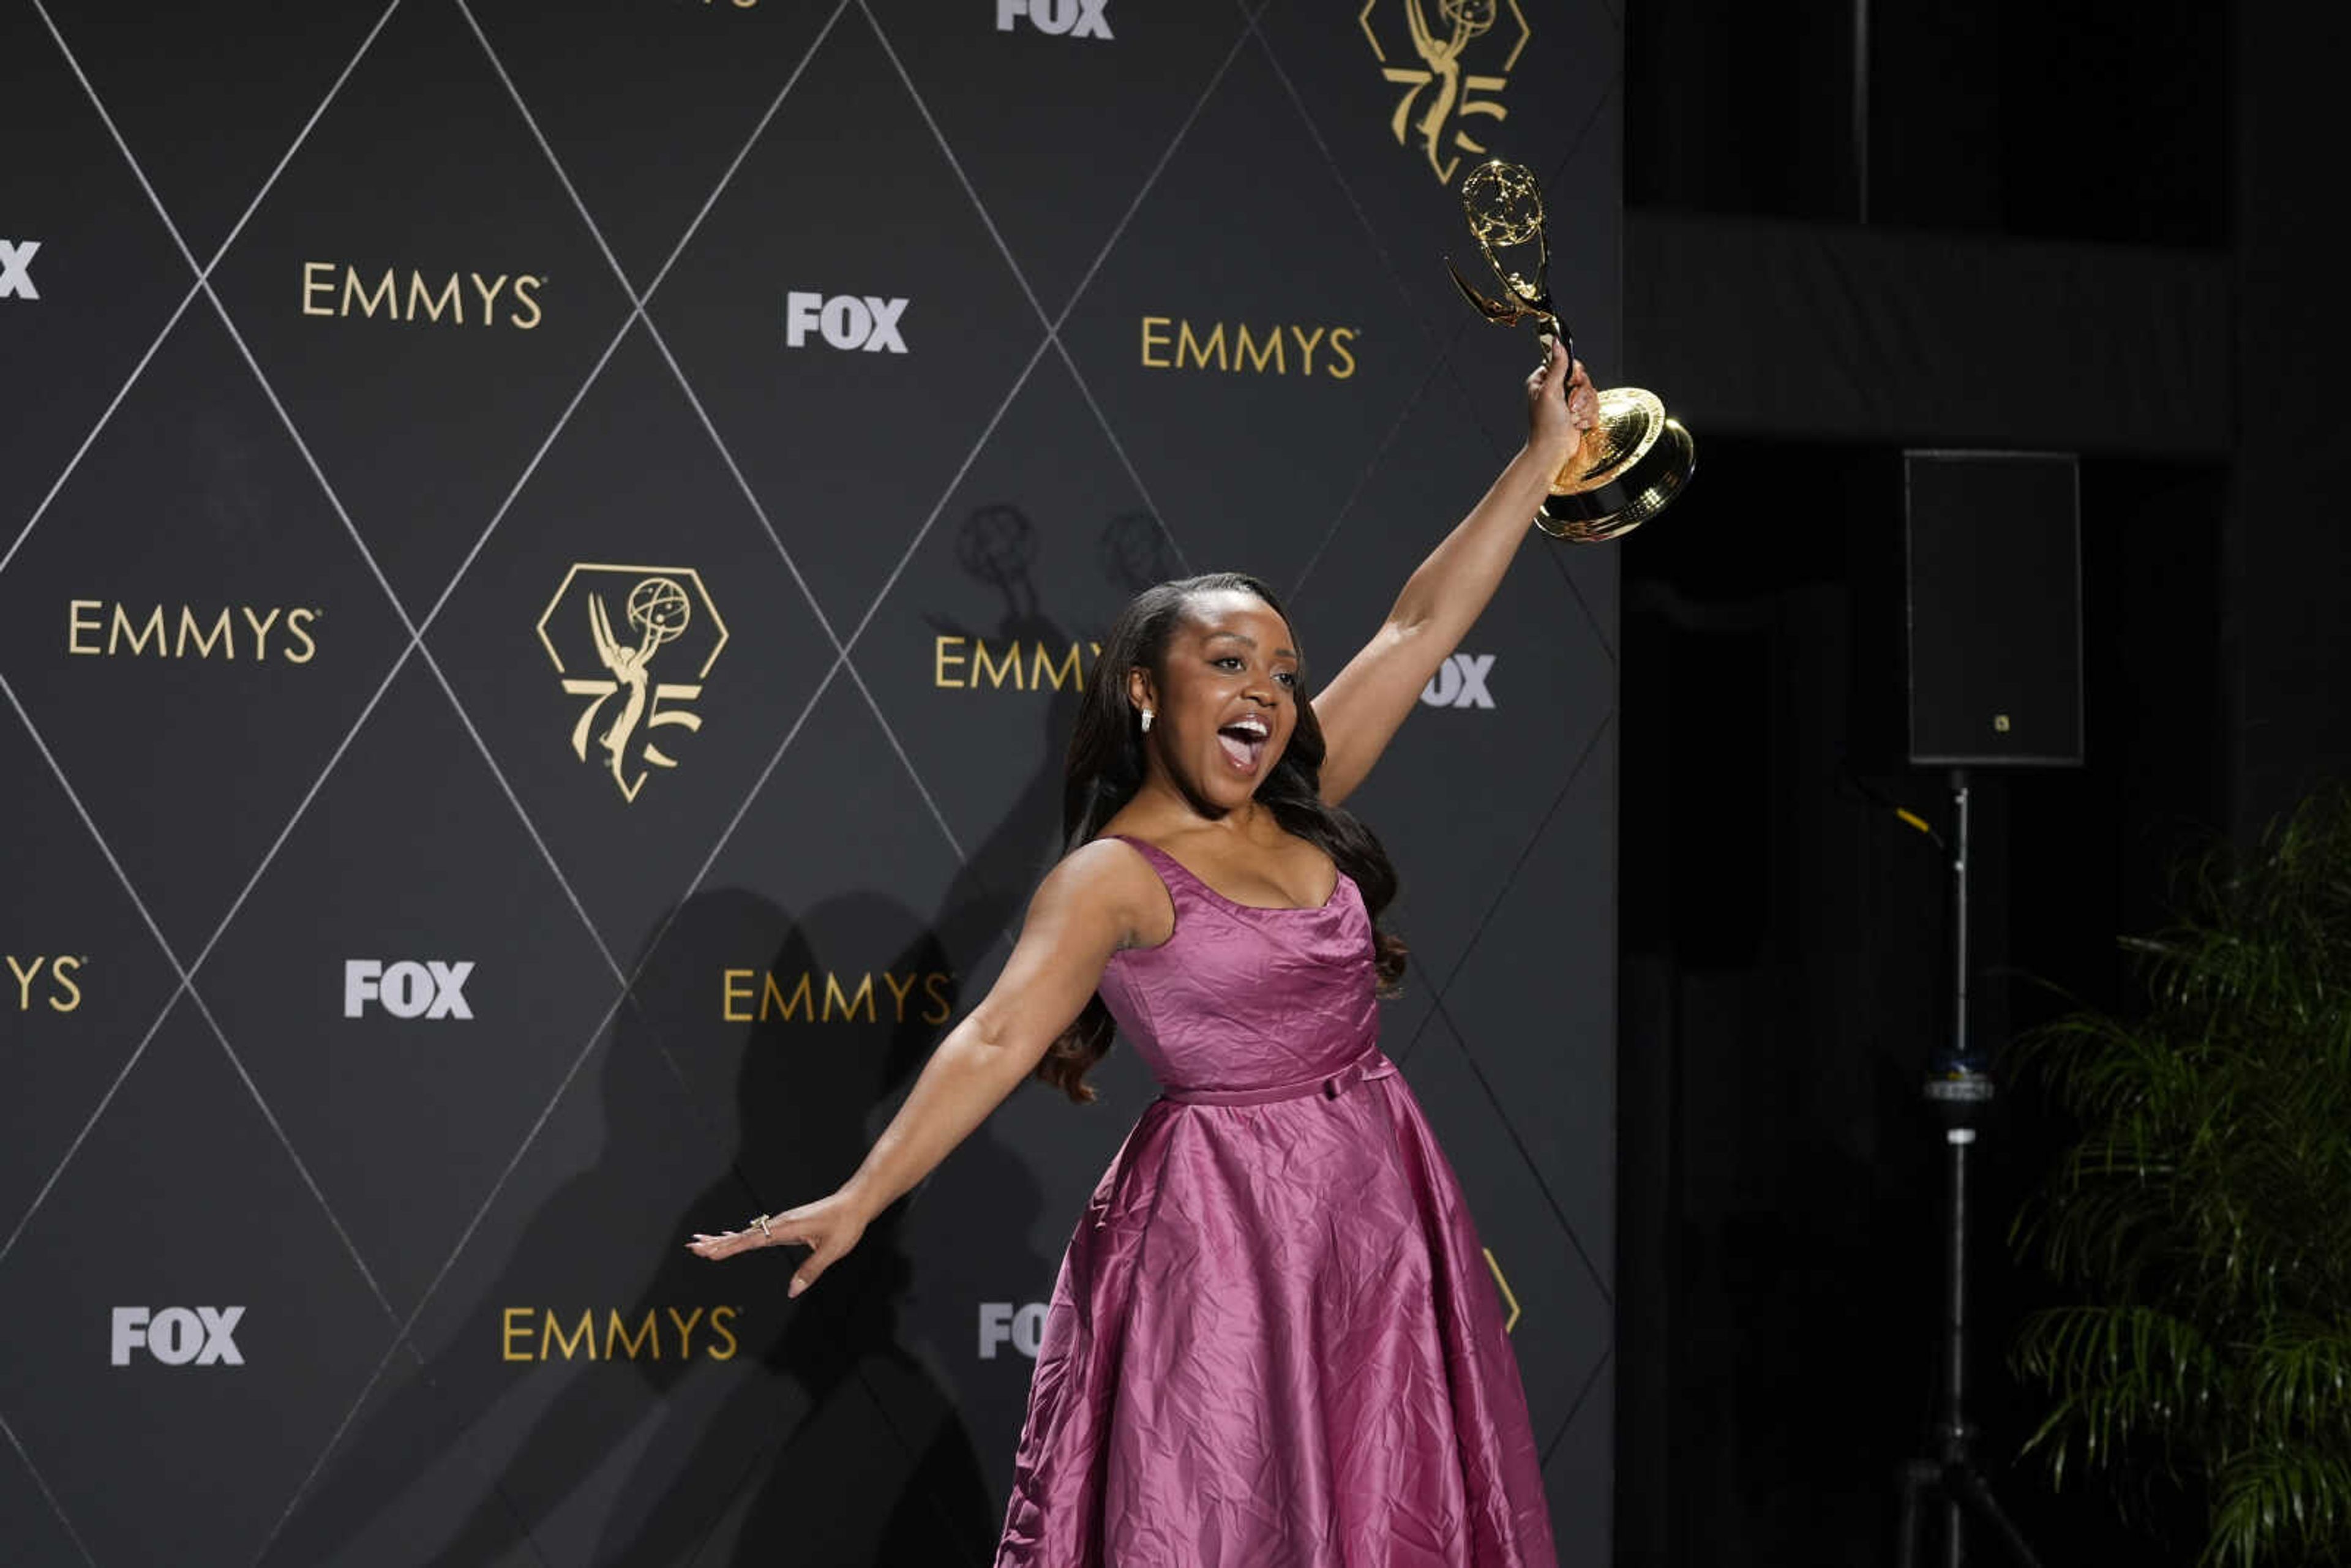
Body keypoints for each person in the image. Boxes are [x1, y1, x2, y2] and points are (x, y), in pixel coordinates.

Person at [690, 337, 1599, 1566]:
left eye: (1281, 671)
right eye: (1229, 664)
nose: (1270, 694)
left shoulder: (1297, 796)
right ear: (1141, 693)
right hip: (1222, 1234)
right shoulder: (1110, 880)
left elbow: (1419, 621)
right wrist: (863, 1196)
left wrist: (1541, 459)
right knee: (1226, 1515)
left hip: (1376, 1204)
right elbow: (1001, 1033)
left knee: (1388, 1507)